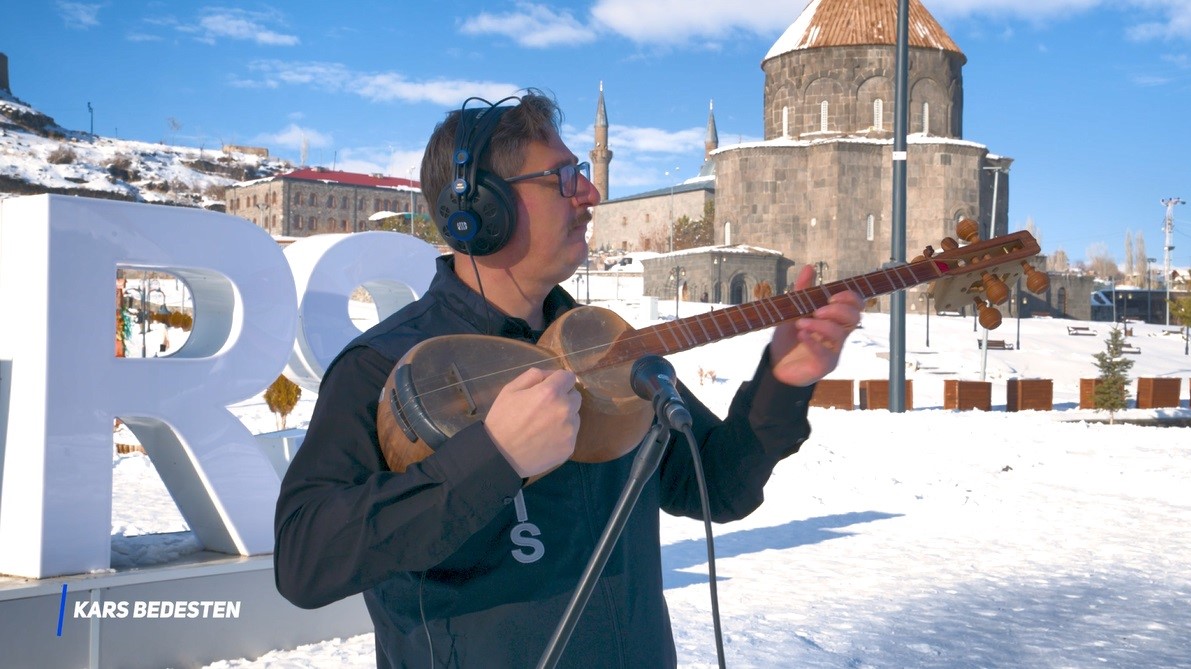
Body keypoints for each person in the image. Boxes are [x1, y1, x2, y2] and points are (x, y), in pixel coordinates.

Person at [273, 89, 863, 668]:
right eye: (561, 177)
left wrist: (783, 381)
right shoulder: (382, 365)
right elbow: (305, 562)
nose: (591, 192)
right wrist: (494, 457)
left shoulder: (610, 347)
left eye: (581, 170)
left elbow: (720, 487)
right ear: (482, 208)